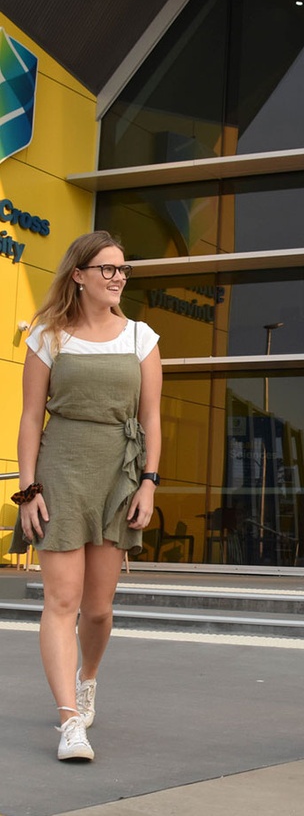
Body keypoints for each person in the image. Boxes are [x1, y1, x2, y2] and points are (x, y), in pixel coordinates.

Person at [10, 231, 162, 762]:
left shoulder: (142, 336)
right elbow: (31, 417)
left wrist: (149, 480)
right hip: (62, 471)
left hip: (119, 473)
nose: (118, 277)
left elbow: (152, 417)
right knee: (61, 601)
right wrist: (28, 489)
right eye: (107, 269)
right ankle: (69, 720)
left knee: (97, 610)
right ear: (79, 275)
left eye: (122, 269)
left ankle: (87, 679)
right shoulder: (49, 336)